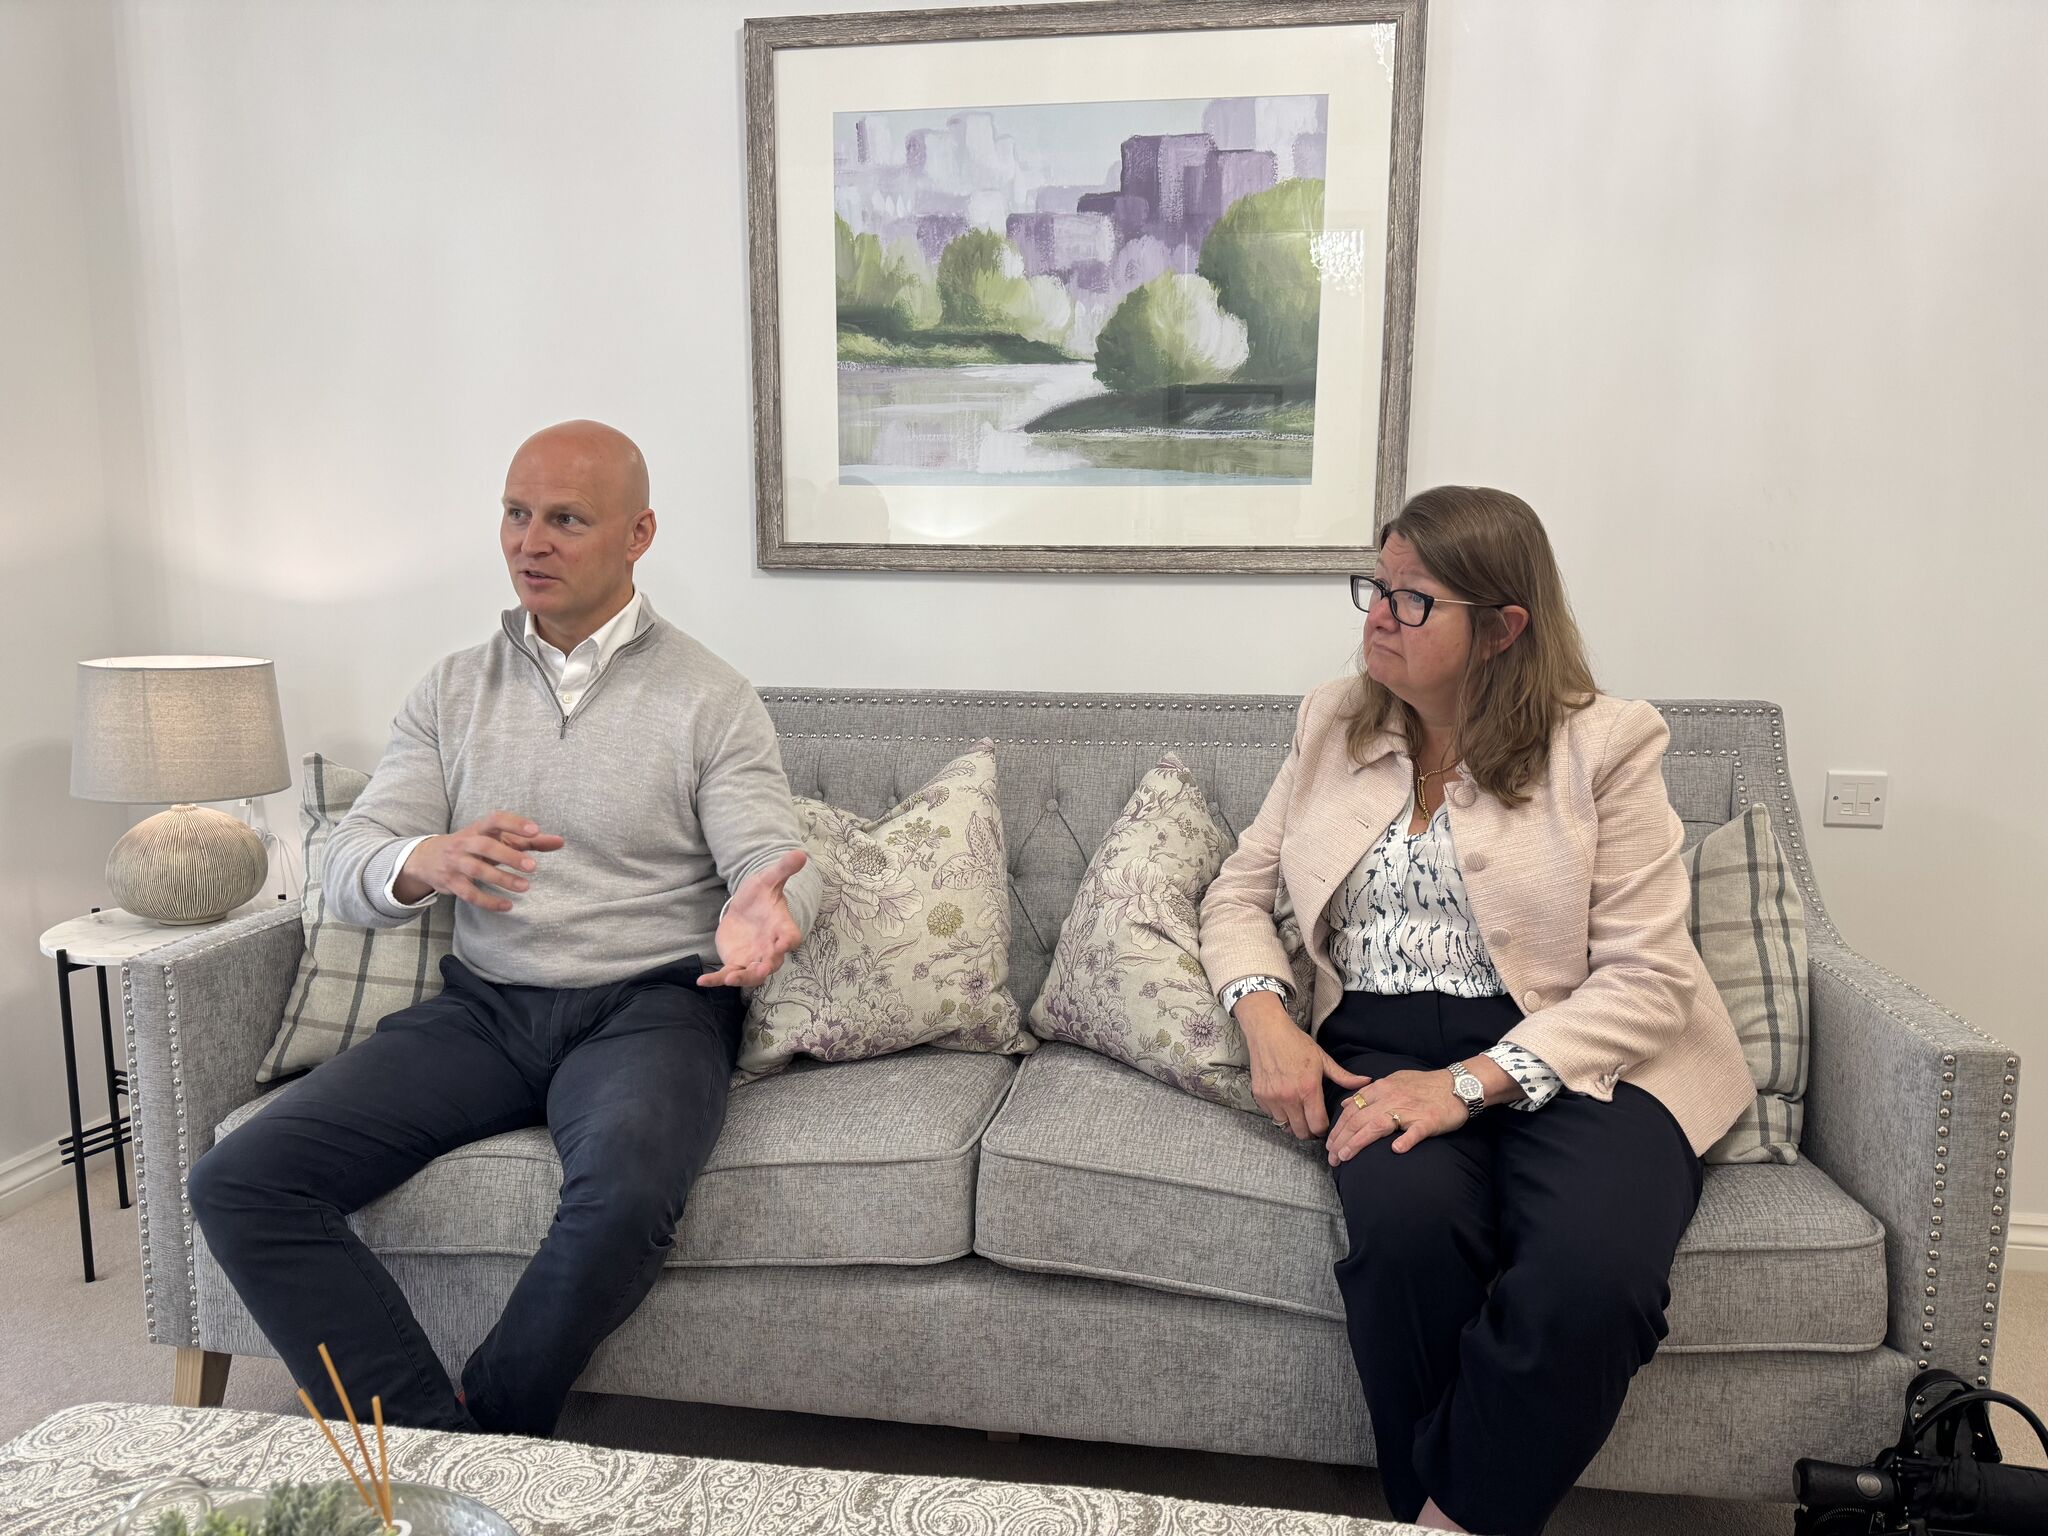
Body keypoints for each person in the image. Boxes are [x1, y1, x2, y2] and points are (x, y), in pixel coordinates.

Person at [188, 420, 822, 1437]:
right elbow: (344, 865)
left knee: (624, 1194)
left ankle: (494, 1432)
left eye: (565, 519)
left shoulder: (710, 696)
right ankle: (430, 1440)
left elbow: (769, 849)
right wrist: (421, 860)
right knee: (240, 1179)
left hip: (647, 1010)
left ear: (637, 533)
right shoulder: (449, 692)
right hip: (485, 1011)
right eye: (516, 514)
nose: (532, 542)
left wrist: (766, 897)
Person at [1200, 486, 1751, 1536]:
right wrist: (1265, 1017)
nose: (1374, 615)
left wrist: (1467, 1087)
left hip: (1579, 1046)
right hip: (1374, 1040)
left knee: (1590, 1283)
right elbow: (1236, 895)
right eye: (1373, 586)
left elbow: (1645, 977)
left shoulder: (1609, 745)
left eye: (1412, 601)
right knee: (1404, 1249)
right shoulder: (1329, 721)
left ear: (1503, 628)